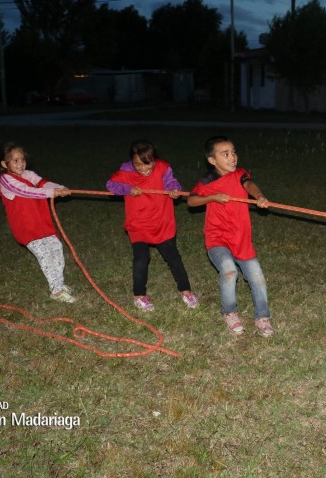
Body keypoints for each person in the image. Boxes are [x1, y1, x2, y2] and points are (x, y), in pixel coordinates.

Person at [187, 136, 274, 337]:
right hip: (217, 237)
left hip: (241, 238)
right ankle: (230, 312)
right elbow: (191, 201)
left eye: (233, 152)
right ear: (212, 160)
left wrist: (259, 196)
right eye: (225, 154)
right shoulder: (208, 181)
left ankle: (262, 316)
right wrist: (212, 197)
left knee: (257, 277)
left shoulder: (240, 174)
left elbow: (249, 184)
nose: (232, 157)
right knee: (229, 271)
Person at [106, 139, 200, 311]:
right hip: (139, 223)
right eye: (138, 164)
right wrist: (127, 189)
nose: (142, 168)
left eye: (147, 164)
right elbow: (111, 185)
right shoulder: (125, 171)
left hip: (161, 221)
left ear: (154, 160)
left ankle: (186, 291)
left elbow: (171, 182)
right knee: (141, 259)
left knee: (173, 258)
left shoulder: (163, 168)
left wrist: (174, 189)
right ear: (132, 162)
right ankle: (139, 296)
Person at [0, 141, 75, 303]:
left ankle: (58, 283)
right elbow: (27, 191)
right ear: (5, 164)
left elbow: (42, 183)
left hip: (42, 223)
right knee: (46, 256)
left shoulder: (28, 174)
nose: (20, 164)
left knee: (56, 249)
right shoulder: (6, 180)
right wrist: (52, 192)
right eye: (15, 160)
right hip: (27, 228)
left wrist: (60, 188)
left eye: (22, 160)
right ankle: (57, 291)